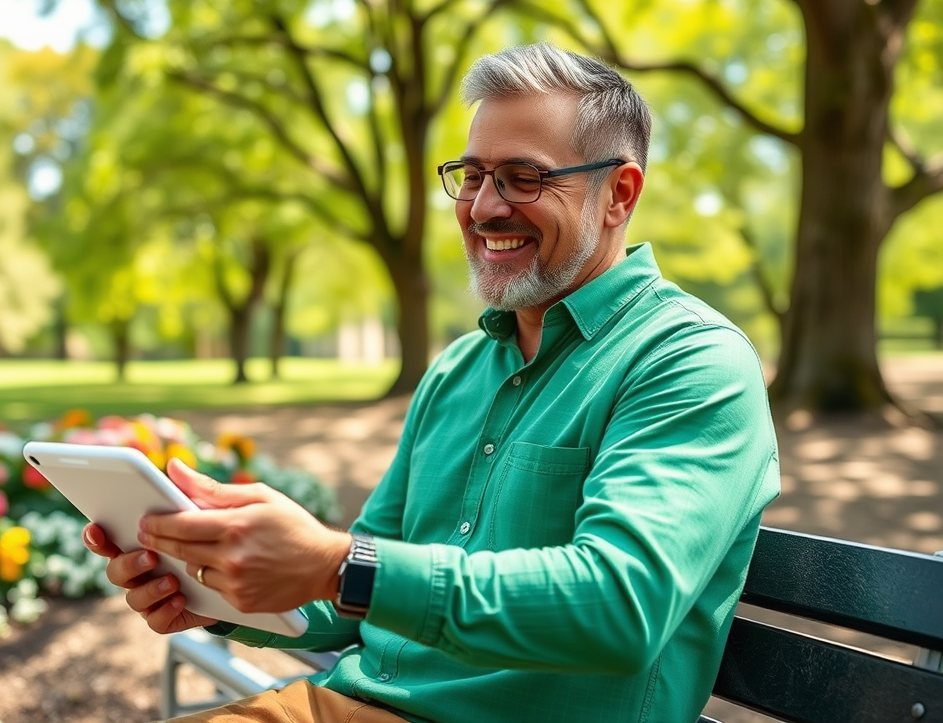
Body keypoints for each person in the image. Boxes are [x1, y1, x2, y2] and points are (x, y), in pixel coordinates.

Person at [84, 42, 780, 723]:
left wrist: (339, 564)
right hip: (346, 704)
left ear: (618, 194)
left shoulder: (690, 361)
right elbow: (353, 598)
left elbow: (617, 606)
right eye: (473, 175)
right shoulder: (457, 370)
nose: (482, 208)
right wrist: (216, 586)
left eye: (523, 177)